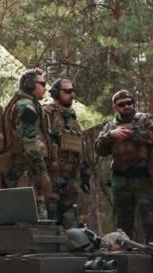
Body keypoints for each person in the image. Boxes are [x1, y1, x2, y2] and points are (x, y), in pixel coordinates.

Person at [94, 90, 153, 246]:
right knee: (122, 226)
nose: (126, 107)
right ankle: (125, 260)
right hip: (121, 180)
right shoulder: (110, 127)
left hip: (144, 178)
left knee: (152, 222)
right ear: (115, 107)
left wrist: (132, 133)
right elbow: (99, 149)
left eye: (129, 103)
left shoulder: (145, 119)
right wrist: (111, 136)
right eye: (122, 104)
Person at [1, 68, 52, 219]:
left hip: (26, 171)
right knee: (33, 221)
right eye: (42, 83)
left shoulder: (29, 104)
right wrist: (42, 172)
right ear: (30, 84)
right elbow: (29, 140)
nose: (45, 87)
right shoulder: (26, 106)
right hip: (24, 171)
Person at [42, 79, 91, 228]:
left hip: (71, 178)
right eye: (68, 91)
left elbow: (79, 148)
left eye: (73, 91)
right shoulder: (46, 113)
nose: (72, 95)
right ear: (56, 93)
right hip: (52, 175)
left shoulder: (73, 118)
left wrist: (85, 174)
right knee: (50, 219)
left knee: (70, 220)